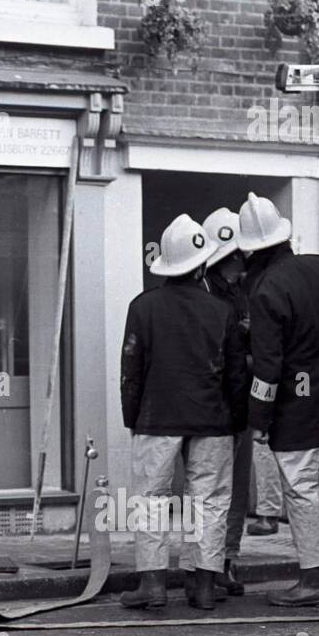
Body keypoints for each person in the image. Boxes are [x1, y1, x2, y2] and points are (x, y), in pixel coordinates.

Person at [238, 193, 319, 606]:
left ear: (252, 252)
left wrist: (258, 418)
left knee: (300, 488)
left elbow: (268, 367)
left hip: (293, 411)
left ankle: (313, 579)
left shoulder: (264, 290)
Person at [119, 214, 247, 611]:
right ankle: (204, 586)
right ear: (203, 264)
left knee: (151, 499)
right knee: (209, 500)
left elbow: (131, 372)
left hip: (157, 417)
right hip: (213, 418)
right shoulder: (221, 312)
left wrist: (132, 418)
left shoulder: (143, 307)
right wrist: (237, 420)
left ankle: (153, 585)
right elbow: (237, 375)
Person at [201, 207, 251, 596]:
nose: (243, 261)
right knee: (211, 493)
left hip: (239, 402)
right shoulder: (205, 297)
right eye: (237, 256)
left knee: (235, 491)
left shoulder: (240, 291)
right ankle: (207, 565)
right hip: (214, 409)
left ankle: (227, 560)